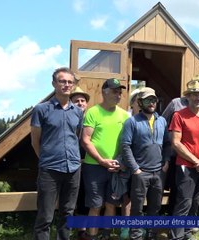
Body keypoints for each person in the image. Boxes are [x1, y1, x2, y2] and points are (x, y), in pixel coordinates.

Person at [30, 67, 83, 240]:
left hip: (73, 168)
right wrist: (46, 159)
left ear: (73, 85)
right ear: (54, 84)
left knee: (67, 213)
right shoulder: (41, 109)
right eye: (62, 81)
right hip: (49, 170)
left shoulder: (77, 111)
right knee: (45, 216)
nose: (66, 85)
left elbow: (77, 137)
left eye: (69, 82)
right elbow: (35, 141)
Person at [81, 78, 129, 240]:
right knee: (95, 205)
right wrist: (102, 160)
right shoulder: (93, 112)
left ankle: (106, 235)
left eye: (120, 92)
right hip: (94, 167)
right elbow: (86, 140)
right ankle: (91, 236)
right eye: (115, 91)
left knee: (111, 204)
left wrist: (121, 163)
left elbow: (127, 142)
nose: (118, 95)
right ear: (104, 92)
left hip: (116, 167)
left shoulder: (124, 115)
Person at [162, 74, 199, 218]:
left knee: (195, 199)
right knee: (182, 198)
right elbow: (166, 128)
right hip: (180, 159)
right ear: (189, 95)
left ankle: (187, 230)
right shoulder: (177, 109)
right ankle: (176, 232)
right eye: (195, 94)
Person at [121, 87, 171, 240]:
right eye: (148, 100)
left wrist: (166, 162)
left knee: (155, 207)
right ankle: (135, 236)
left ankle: (151, 235)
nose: (152, 103)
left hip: (159, 172)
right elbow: (125, 146)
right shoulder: (132, 122)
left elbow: (168, 143)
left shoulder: (162, 121)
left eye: (154, 99)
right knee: (137, 208)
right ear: (140, 102)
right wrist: (135, 169)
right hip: (141, 172)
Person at [70, 86, 91, 239]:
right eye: (76, 100)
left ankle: (82, 231)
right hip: (70, 163)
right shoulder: (68, 118)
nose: (80, 103)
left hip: (88, 163)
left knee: (84, 197)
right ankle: (66, 229)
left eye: (82, 100)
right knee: (69, 199)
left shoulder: (91, 119)